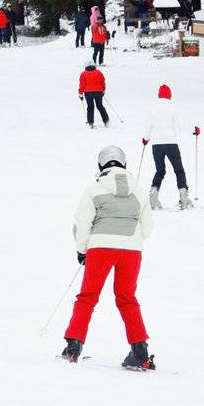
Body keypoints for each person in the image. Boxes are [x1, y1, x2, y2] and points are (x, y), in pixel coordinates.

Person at [62, 146, 154, 370]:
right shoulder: (139, 191)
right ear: (124, 165)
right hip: (131, 250)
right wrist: (130, 239)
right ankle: (140, 351)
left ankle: (74, 346)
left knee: (87, 297)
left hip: (100, 248)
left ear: (101, 166)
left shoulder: (93, 189)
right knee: (127, 298)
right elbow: (148, 227)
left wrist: (82, 249)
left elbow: (82, 222)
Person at [141, 84, 191, 208]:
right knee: (179, 170)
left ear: (159, 95)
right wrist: (193, 131)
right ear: (169, 95)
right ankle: (184, 197)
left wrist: (145, 138)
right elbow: (180, 125)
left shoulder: (151, 109)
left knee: (160, 170)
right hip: (171, 143)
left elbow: (147, 126)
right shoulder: (173, 108)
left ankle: (153, 195)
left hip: (156, 145)